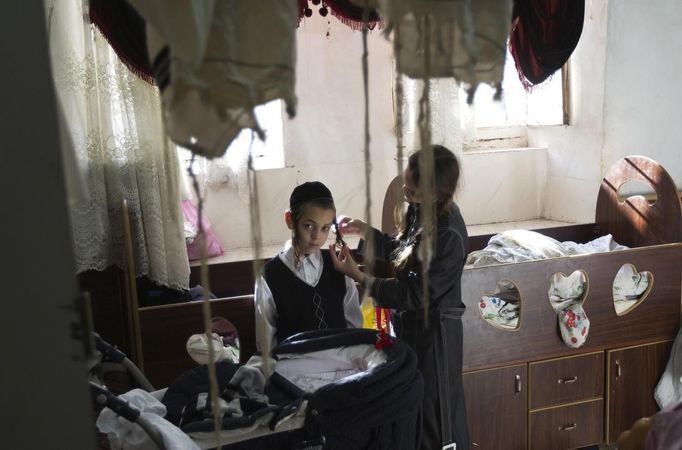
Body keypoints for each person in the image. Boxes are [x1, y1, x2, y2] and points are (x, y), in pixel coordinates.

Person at [330, 145, 470, 450]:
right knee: (413, 405)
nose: (405, 193)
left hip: (437, 338)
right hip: (414, 328)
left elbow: (413, 293)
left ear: (434, 193)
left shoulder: (448, 235)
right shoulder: (423, 212)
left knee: (438, 417)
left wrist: (360, 277)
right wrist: (366, 232)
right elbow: (403, 252)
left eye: (412, 191)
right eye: (406, 184)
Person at [255, 181, 363, 352]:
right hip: (295, 372)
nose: (317, 237)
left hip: (341, 366)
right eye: (309, 226)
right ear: (290, 220)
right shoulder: (269, 276)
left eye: (325, 228)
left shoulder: (339, 268)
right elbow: (267, 345)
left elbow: (354, 327)